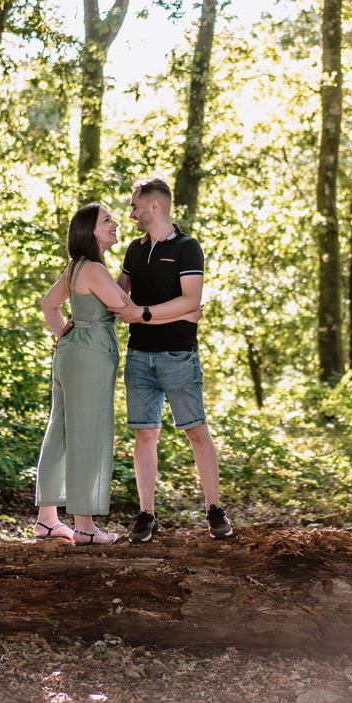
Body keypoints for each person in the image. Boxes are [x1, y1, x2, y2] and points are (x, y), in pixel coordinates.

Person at [31, 202, 199, 546]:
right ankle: (84, 527)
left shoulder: (76, 266)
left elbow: (49, 305)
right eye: (106, 220)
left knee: (61, 431)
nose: (115, 223)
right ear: (89, 232)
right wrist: (185, 313)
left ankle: (47, 520)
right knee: (88, 435)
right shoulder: (94, 269)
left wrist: (65, 336)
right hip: (90, 358)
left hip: (72, 355)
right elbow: (127, 310)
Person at [109, 178, 233, 541]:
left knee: (196, 430)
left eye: (135, 207)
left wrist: (144, 314)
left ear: (154, 206)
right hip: (138, 357)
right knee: (145, 434)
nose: (131, 214)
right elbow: (117, 296)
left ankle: (214, 509)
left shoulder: (186, 247)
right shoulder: (134, 249)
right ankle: (146, 514)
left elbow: (190, 300)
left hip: (179, 356)